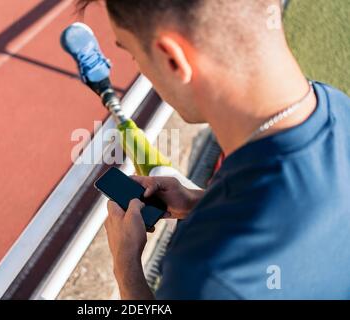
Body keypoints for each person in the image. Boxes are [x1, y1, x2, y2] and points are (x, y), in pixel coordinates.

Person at [77, 0, 350, 299]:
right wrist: (200, 201)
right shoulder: (338, 106)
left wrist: (126, 268)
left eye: (133, 55)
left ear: (172, 59)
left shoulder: (208, 273)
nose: (140, 68)